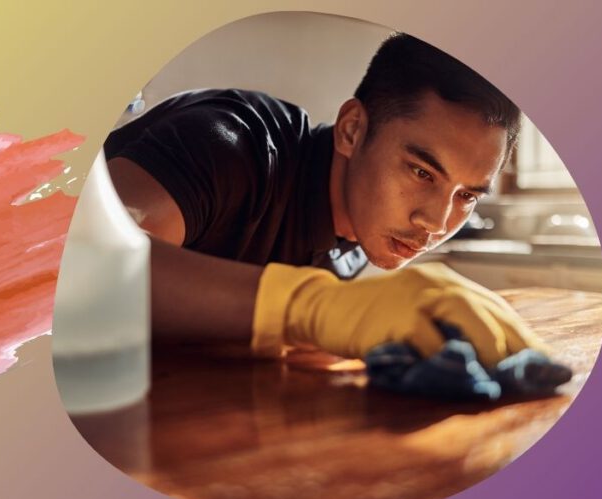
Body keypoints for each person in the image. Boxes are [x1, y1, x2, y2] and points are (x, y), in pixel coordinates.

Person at [101, 32, 547, 366]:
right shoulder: (233, 144)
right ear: (352, 129)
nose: (436, 220)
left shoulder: (361, 231)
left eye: (467, 195)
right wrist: (308, 308)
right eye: (420, 172)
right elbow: (86, 263)